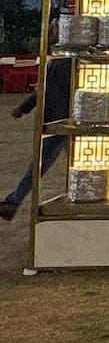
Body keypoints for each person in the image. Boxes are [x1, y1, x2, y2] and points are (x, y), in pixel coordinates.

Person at [3, 15, 70, 219]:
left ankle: (14, 201)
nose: (49, 32)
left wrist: (25, 107)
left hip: (60, 121)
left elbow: (46, 90)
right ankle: (14, 201)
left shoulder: (64, 60)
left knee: (40, 164)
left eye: (53, 28)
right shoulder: (59, 58)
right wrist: (25, 107)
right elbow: (44, 89)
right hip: (59, 120)